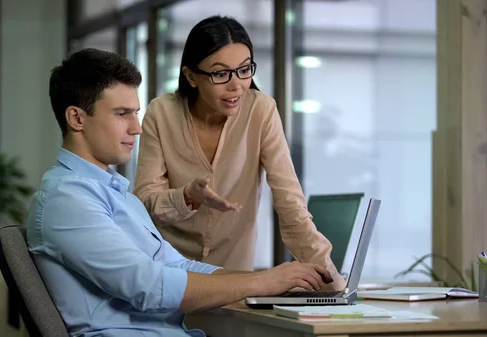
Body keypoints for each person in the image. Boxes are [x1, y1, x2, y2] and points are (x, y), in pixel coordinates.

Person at [27, 47, 334, 337]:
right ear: (76, 118)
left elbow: (177, 266)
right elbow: (149, 286)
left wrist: (276, 282)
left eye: (135, 113)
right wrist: (263, 282)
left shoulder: (117, 193)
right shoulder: (66, 199)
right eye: (122, 114)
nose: (137, 127)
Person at [133, 16, 345, 289]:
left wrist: (331, 281)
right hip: (170, 274)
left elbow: (290, 204)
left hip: (234, 279)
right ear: (190, 76)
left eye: (245, 70)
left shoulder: (261, 110)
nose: (237, 86)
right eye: (221, 74)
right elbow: (144, 204)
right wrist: (186, 196)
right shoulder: (161, 113)